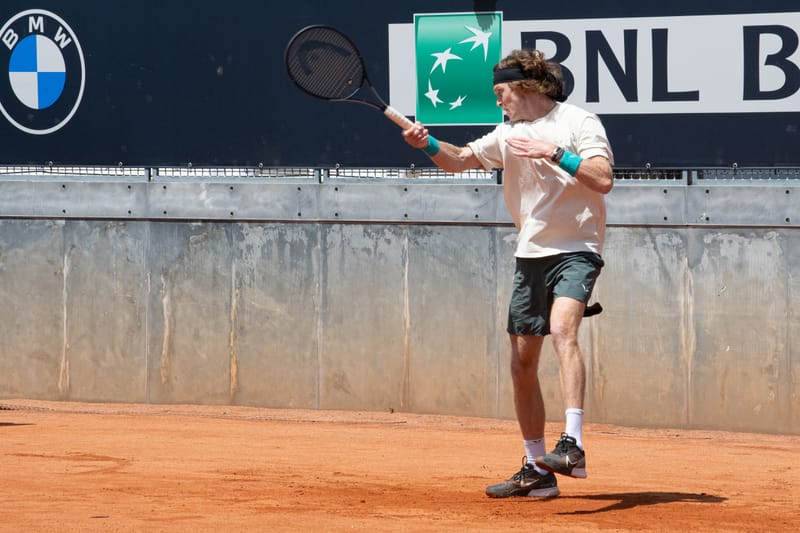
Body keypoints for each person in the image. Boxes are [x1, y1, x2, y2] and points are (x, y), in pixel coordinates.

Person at [402, 49, 614, 498]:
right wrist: (429, 145)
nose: (499, 103)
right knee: (521, 363)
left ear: (526, 88)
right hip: (529, 253)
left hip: (577, 247)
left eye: (502, 93)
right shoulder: (507, 133)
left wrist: (554, 152)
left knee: (562, 330)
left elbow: (602, 178)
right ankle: (539, 469)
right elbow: (460, 159)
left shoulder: (579, 122)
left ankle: (572, 444)